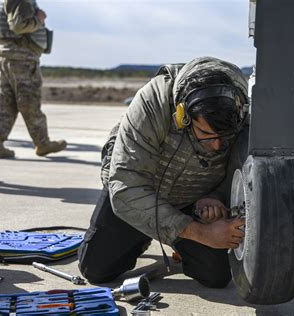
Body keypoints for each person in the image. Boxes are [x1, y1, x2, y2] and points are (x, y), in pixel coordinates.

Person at [78, 57, 249, 288]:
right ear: (183, 116)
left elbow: (242, 169)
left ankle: (174, 237)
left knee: (216, 277)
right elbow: (126, 187)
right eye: (207, 134)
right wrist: (200, 233)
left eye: (224, 136)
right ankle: (145, 233)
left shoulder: (245, 112)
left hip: (194, 200)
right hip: (142, 194)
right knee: (96, 270)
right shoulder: (152, 103)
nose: (217, 146)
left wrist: (217, 197)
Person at [0, 0, 66, 158]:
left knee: (6, 101)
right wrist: (39, 19)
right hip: (21, 56)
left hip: (7, 54)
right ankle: (42, 143)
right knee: (29, 101)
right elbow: (19, 26)